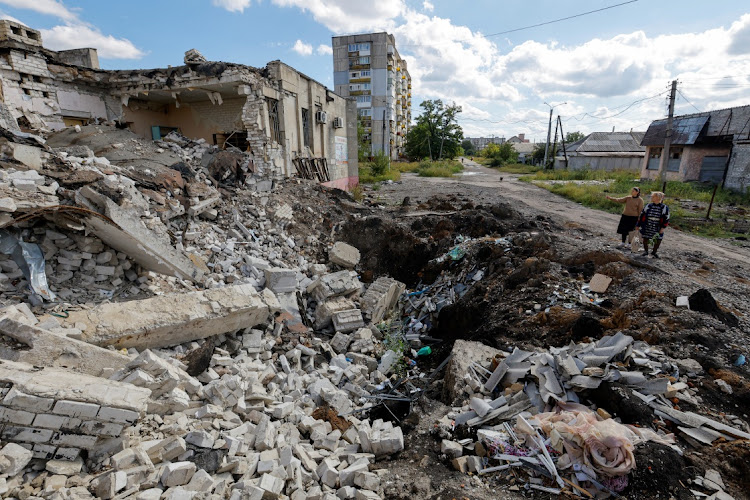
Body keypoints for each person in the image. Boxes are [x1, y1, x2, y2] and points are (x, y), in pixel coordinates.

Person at [636, 191, 670, 258]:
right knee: (645, 238)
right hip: (647, 225)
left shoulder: (664, 207)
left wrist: (663, 228)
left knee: (658, 239)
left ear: (658, 198)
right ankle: (646, 251)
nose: (651, 197)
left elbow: (667, 218)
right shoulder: (648, 206)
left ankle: (654, 252)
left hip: (657, 226)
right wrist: (638, 225)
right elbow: (642, 215)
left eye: (653, 196)